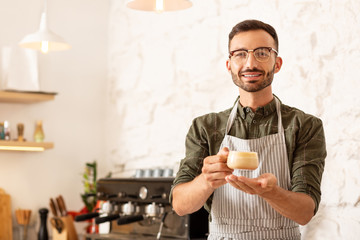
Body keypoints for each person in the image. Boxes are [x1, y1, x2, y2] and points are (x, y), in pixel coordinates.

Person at [170, 19, 326, 240]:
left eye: (262, 53)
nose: (250, 63)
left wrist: (270, 192)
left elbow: (304, 212)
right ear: (229, 65)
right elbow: (180, 205)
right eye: (240, 54)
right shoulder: (205, 127)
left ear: (277, 63)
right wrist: (206, 180)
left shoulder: (304, 125)